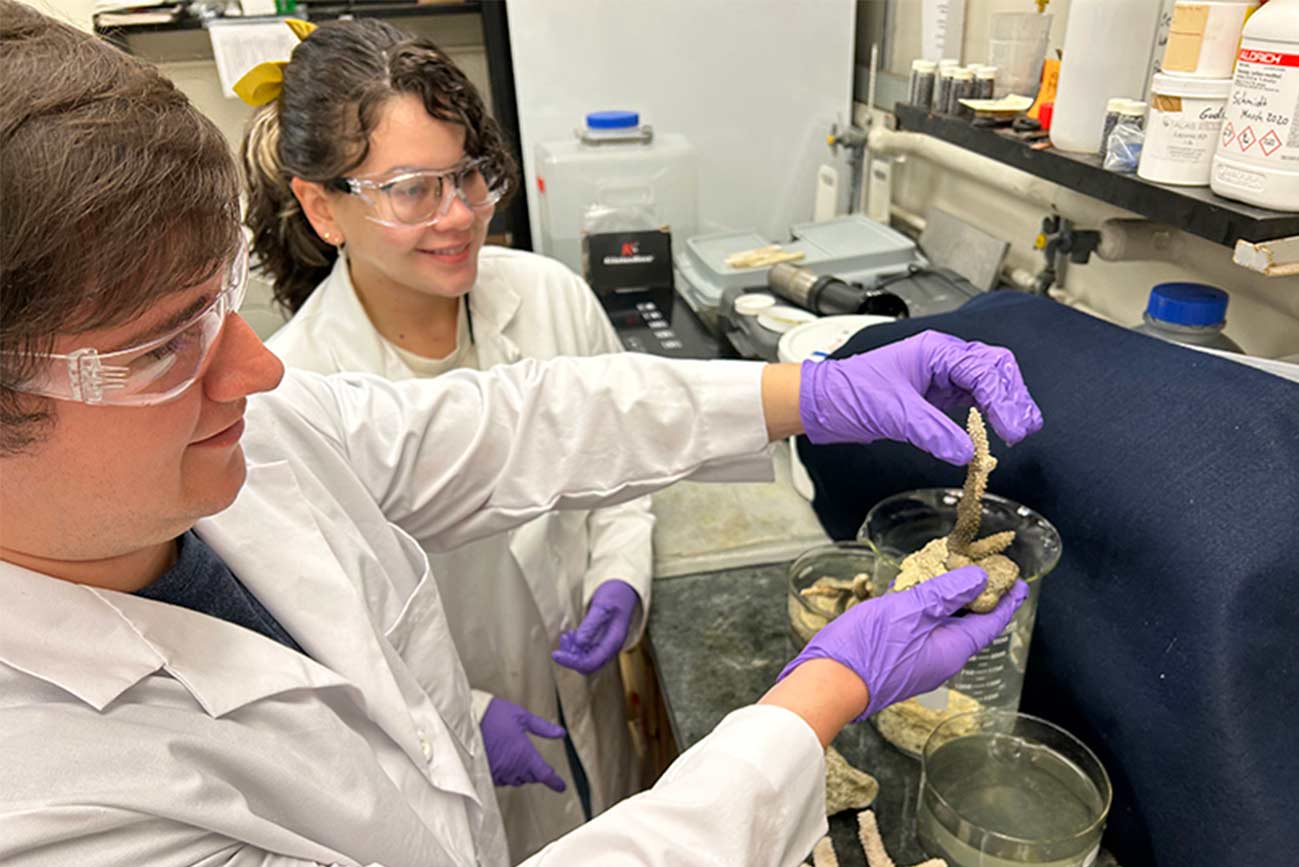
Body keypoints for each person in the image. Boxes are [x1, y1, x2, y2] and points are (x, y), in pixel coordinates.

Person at [0, 4, 1043, 865]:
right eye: (155, 348)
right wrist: (823, 696)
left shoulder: (258, 433)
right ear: (323, 208)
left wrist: (809, 393)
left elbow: (517, 422)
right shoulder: (48, 811)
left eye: (223, 299)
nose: (259, 367)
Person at [238, 19, 654, 856]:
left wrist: (621, 573)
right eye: (411, 189)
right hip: (438, 748)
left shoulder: (549, 297)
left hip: (586, 688)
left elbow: (632, 457)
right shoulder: (291, 392)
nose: (459, 214)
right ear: (322, 206)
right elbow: (315, 637)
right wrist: (457, 712)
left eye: (469, 173)